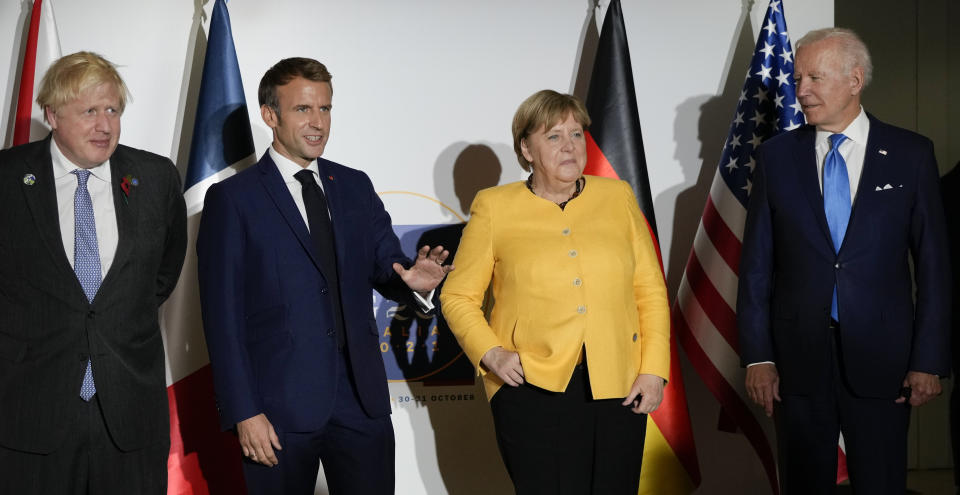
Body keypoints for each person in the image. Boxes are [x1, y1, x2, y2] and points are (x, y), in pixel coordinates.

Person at [196, 57, 452, 495]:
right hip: (275, 408)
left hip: (361, 401)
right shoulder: (233, 199)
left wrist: (413, 283)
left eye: (325, 109)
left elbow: (386, 266)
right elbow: (222, 318)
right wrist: (244, 412)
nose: (318, 123)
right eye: (303, 110)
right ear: (270, 115)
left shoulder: (354, 185)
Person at [738, 28, 951, 494]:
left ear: (855, 80)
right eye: (797, 78)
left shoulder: (912, 155)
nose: (801, 90)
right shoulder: (776, 158)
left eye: (815, 77)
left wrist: (929, 360)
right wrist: (758, 356)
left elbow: (934, 268)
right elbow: (755, 267)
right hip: (796, 362)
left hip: (885, 362)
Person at [440, 89, 670, 494]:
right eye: (554, 137)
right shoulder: (494, 207)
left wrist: (653, 370)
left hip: (619, 386)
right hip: (530, 389)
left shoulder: (617, 196)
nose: (570, 147)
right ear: (526, 149)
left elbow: (649, 290)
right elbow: (457, 296)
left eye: (576, 134)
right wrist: (491, 353)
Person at [0, 52, 187, 493]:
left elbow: (160, 276)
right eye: (89, 111)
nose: (105, 125)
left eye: (113, 110)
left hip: (129, 416)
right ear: (52, 115)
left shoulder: (155, 178)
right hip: (29, 414)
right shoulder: (7, 179)